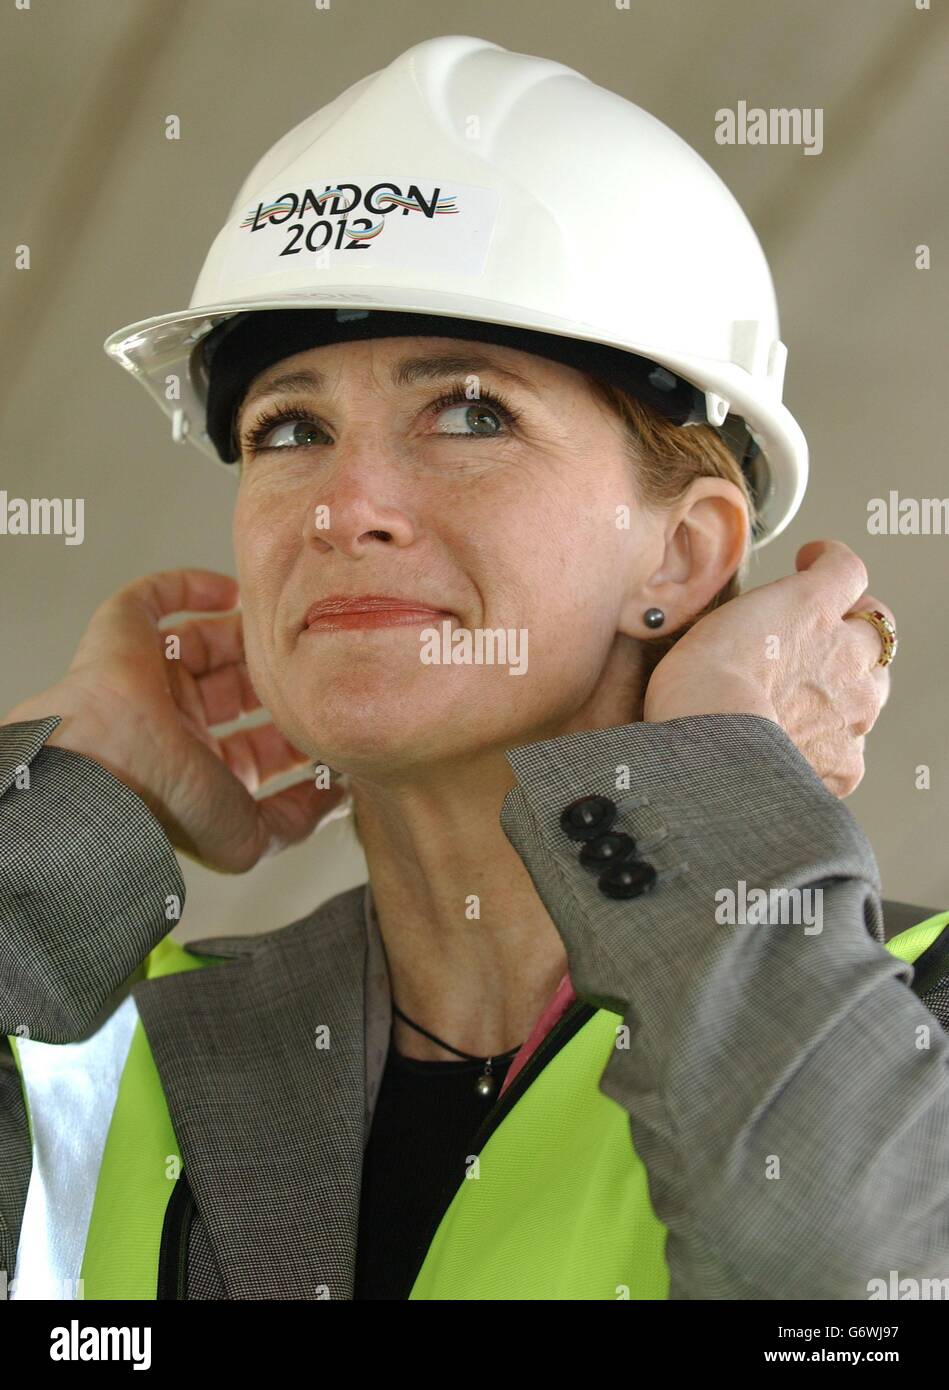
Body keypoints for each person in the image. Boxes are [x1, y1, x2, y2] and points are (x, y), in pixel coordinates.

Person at [2, 35, 948, 1303]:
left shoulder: (912, 1016)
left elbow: (845, 1289)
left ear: (681, 553)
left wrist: (716, 783)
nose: (344, 509)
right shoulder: (113, 1059)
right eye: (291, 427)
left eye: (469, 411)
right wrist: (65, 818)